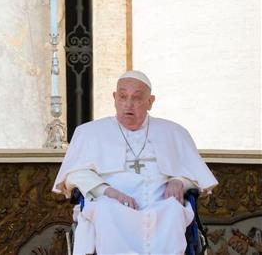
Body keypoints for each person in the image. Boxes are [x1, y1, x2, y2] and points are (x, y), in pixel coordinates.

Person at [53, 70, 218, 255]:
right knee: (105, 211)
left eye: (137, 98)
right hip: (111, 203)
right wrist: (108, 191)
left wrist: (179, 180)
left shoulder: (174, 132)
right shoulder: (89, 133)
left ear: (150, 102)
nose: (128, 105)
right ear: (115, 98)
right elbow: (74, 174)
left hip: (160, 205)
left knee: (173, 210)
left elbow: (197, 175)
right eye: (123, 97)